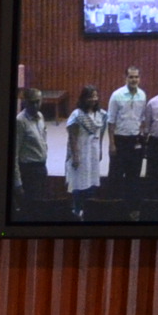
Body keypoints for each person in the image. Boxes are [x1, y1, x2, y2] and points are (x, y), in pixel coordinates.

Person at [63, 86, 108, 217]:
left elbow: (100, 134)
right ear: (83, 98)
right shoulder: (77, 115)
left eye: (95, 96)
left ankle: (89, 210)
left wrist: (100, 149)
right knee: (79, 181)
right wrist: (75, 156)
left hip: (93, 153)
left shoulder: (101, 114)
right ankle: (77, 210)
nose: (93, 99)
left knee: (92, 179)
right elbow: (72, 137)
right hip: (81, 152)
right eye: (90, 96)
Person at [106, 67, 149, 191]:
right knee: (116, 174)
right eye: (131, 77)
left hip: (136, 140)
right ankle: (114, 201)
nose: (134, 80)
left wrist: (142, 136)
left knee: (134, 175)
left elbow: (142, 118)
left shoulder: (142, 95)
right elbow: (111, 121)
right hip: (120, 140)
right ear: (125, 78)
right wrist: (112, 144)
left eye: (136, 77)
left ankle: (131, 202)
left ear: (139, 78)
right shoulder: (117, 95)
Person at [12, 88, 50, 209]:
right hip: (28, 171)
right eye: (32, 102)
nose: (35, 105)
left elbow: (43, 141)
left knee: (41, 207)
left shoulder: (40, 116)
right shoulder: (20, 121)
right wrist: (17, 183)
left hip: (41, 168)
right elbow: (14, 154)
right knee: (31, 209)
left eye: (38, 101)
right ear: (25, 102)